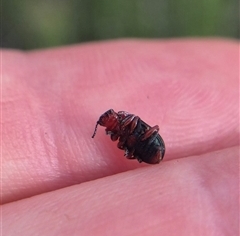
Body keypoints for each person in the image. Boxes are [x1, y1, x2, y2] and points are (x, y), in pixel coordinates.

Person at [2, 39, 238, 235]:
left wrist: (131, 134)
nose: (109, 119)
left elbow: (135, 130)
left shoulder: (128, 121)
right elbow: (121, 142)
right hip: (143, 147)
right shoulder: (119, 130)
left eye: (110, 117)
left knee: (137, 146)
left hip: (151, 145)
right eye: (107, 120)